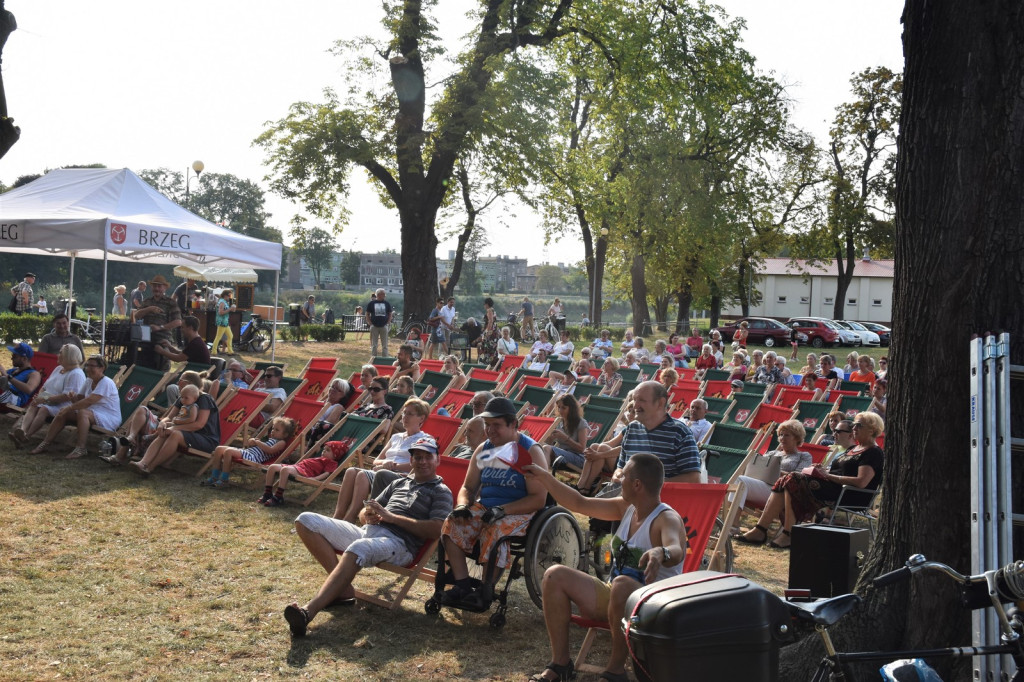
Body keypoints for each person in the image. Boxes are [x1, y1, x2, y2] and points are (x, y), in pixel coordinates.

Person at [523, 453, 685, 682]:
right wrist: (544, 478)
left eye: (624, 475)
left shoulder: (666, 518)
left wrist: (661, 552)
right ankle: (560, 665)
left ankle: (616, 671)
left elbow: (676, 549)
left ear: (637, 484)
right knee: (554, 575)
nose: (618, 480)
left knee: (621, 584)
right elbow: (580, 503)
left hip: (653, 608)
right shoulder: (627, 508)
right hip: (616, 598)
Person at [285, 436, 452, 637]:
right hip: (369, 533)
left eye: (428, 457)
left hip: (399, 545)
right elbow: (365, 511)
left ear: (438, 460)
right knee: (306, 520)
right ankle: (344, 590)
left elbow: (436, 529)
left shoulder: (441, 492)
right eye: (417, 457)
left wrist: (392, 518)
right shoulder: (399, 483)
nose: (422, 461)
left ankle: (307, 612)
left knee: (359, 548)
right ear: (412, 460)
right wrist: (369, 515)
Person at [439, 397, 548, 605]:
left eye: (496, 425)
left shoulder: (530, 451)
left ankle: (485, 588)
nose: (490, 431)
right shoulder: (484, 449)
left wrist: (503, 509)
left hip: (520, 510)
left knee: (495, 528)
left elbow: (538, 498)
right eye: (487, 425)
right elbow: (468, 487)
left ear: (513, 424)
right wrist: (462, 504)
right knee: (451, 523)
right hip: (487, 506)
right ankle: (462, 585)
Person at [737, 411, 884, 549]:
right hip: (834, 487)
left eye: (858, 425)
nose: (854, 427)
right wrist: (822, 470)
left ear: (871, 430)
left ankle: (787, 533)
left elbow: (861, 482)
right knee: (788, 480)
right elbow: (840, 471)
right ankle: (761, 529)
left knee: (792, 478)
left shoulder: (873, 452)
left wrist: (828, 476)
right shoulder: (852, 449)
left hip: (850, 494)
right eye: (854, 424)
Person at [332, 398, 431, 523]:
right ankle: (338, 515)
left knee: (363, 474)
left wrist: (393, 466)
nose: (405, 416)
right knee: (351, 471)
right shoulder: (396, 437)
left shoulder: (424, 439)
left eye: (410, 414)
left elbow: (420, 465)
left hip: (403, 478)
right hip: (383, 472)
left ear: (421, 418)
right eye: (404, 413)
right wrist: (384, 463)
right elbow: (376, 461)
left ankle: (350, 518)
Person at [609, 381, 702, 485]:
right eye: (634, 400)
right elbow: (621, 467)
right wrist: (617, 474)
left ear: (660, 403)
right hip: (626, 495)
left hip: (661, 498)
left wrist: (650, 485)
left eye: (642, 400)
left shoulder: (679, 432)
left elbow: (694, 479)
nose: (635, 406)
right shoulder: (632, 428)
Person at [31, 354, 119, 459]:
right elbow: (80, 399)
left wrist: (69, 407)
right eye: (87, 365)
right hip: (91, 413)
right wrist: (72, 398)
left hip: (109, 417)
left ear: (102, 368)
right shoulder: (89, 380)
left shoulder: (106, 383)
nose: (88, 369)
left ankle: (80, 448)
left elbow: (89, 401)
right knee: (63, 412)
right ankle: (45, 443)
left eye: (92, 366)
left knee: (81, 412)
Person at [128, 378, 220, 476]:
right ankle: (143, 463)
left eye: (182, 381)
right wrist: (162, 423)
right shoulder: (184, 397)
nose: (178, 383)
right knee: (166, 431)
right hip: (189, 433)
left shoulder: (204, 399)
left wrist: (172, 428)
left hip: (207, 439)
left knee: (174, 434)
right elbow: (168, 417)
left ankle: (150, 467)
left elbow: (199, 424)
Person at [9, 344, 86, 447]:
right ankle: (22, 430)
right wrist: (40, 396)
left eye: (61, 353)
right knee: (34, 404)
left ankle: (27, 436)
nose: (58, 355)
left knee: (44, 409)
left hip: (65, 404)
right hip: (50, 398)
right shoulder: (59, 368)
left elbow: (67, 396)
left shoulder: (76, 374)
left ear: (68, 356)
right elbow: (45, 386)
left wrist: (44, 398)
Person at [733, 419, 814, 512]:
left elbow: (799, 477)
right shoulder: (772, 453)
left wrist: (776, 471)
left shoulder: (804, 456)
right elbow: (759, 467)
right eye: (781, 435)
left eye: (787, 435)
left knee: (740, 481)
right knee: (738, 480)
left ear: (797, 438)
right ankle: (732, 521)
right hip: (762, 485)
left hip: (781, 492)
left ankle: (732, 522)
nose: (782, 438)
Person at [201, 416, 298, 488]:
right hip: (248, 452)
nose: (273, 431)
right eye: (273, 428)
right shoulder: (271, 439)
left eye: (277, 430)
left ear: (285, 435)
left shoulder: (282, 442)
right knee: (219, 449)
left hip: (254, 458)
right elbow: (259, 446)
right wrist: (253, 442)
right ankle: (214, 477)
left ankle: (224, 480)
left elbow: (270, 450)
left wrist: (257, 442)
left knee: (228, 452)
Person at [260, 436, 348, 507]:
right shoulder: (320, 458)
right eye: (324, 449)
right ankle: (267, 493)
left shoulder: (332, 462)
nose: (324, 451)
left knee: (285, 470)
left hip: (304, 472)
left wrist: (316, 479)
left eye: (328, 450)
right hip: (297, 467)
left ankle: (278, 497)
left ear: (336, 455)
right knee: (272, 467)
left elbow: (327, 473)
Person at [130, 275, 183, 371]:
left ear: (165, 288)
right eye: (154, 286)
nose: (156, 288)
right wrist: (149, 309)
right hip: (146, 338)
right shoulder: (147, 302)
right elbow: (136, 315)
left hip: (163, 339)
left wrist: (160, 327)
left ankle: (162, 382)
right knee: (138, 360)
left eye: (159, 286)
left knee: (162, 365)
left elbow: (178, 322)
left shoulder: (171, 303)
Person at [543, 394, 589, 471]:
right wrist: (550, 438)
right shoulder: (559, 422)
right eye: (559, 407)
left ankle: (543, 475)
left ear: (571, 409)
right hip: (562, 454)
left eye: (563, 408)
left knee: (546, 448)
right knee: (539, 446)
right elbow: (549, 444)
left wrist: (565, 438)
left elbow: (582, 449)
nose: (560, 410)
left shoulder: (581, 423)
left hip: (578, 457)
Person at [0, 342, 41, 410]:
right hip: (4, 395)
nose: (11, 358)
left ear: (24, 359)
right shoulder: (13, 370)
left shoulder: (34, 374)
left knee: (4, 381)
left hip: (15, 400)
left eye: (14, 356)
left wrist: (8, 377)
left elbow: (29, 389)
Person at [365, 288, 393, 358]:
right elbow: (367, 314)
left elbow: (390, 314)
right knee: (374, 344)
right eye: (383, 294)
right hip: (374, 326)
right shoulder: (371, 303)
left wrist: (388, 323)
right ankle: (374, 358)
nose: (384, 295)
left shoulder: (387, 303)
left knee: (385, 344)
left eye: (384, 294)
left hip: (384, 326)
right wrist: (370, 323)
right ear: (378, 295)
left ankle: (385, 358)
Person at [211, 289, 237, 355]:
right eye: (229, 295)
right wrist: (230, 309)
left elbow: (227, 311)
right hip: (222, 322)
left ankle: (230, 351)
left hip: (225, 322)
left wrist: (232, 309)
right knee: (218, 337)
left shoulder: (224, 301)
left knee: (230, 336)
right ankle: (214, 351)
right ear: (225, 295)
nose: (230, 297)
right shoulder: (222, 302)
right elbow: (220, 312)